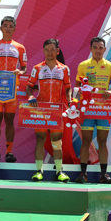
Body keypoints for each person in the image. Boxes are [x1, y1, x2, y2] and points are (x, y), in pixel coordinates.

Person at [75, 37, 111, 184]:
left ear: (104, 49)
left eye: (100, 47)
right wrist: (79, 93)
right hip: (88, 109)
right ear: (91, 49)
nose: (98, 50)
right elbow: (77, 85)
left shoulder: (110, 66)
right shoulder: (83, 65)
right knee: (86, 141)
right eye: (95, 47)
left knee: (102, 141)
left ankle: (103, 175)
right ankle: (83, 174)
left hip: (103, 109)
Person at [26, 39, 71, 183]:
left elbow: (68, 88)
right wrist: (31, 96)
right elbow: (29, 86)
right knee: (40, 139)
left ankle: (59, 172)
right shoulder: (37, 68)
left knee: (57, 141)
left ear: (57, 51)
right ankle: (39, 171)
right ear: (43, 51)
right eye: (47, 50)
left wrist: (70, 101)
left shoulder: (64, 69)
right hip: (41, 109)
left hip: (57, 109)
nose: (50, 52)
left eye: (52, 49)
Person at [0, 16, 27, 163]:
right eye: (5, 25)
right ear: (0, 28)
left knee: (9, 119)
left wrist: (20, 72)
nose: (8, 28)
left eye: (11, 26)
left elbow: (24, 67)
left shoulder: (20, 47)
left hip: (11, 88)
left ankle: (9, 152)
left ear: (15, 28)